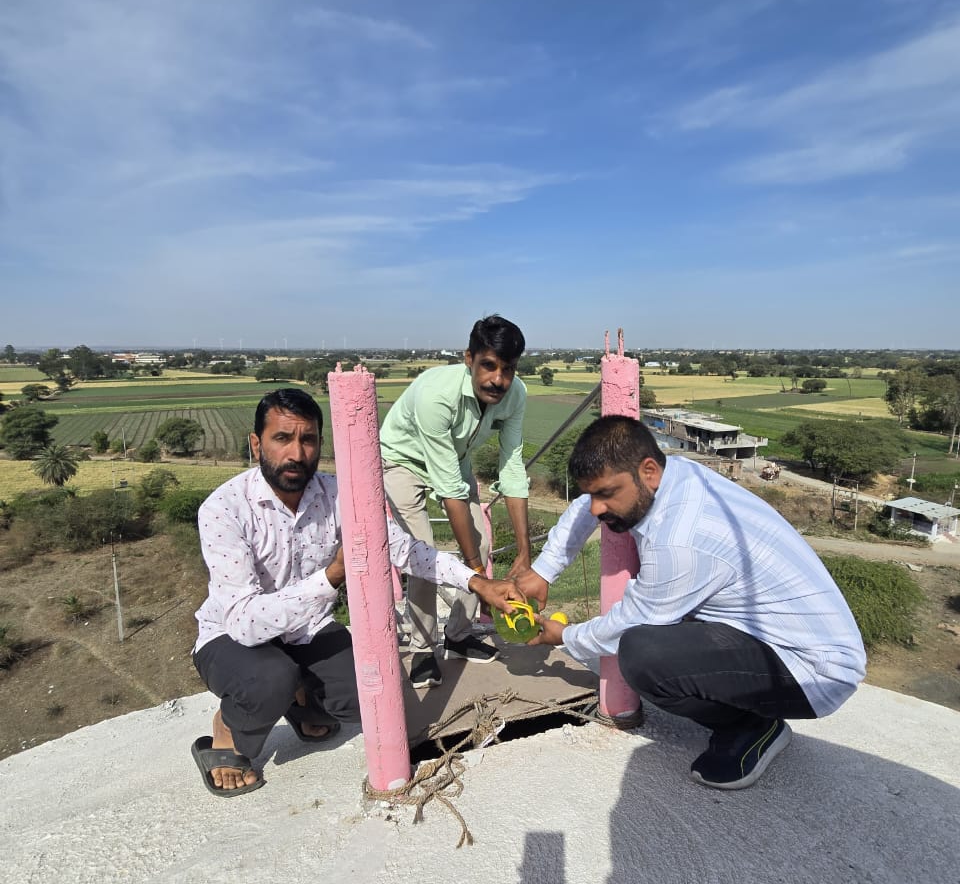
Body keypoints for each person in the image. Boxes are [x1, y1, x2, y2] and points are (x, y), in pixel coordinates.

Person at [190, 388, 523, 797]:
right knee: (269, 677)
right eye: (282, 439)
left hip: (305, 630)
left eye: (307, 439)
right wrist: (332, 575)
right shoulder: (224, 508)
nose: (296, 453)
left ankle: (299, 699)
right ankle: (227, 733)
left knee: (363, 695)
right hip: (232, 636)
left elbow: (404, 550)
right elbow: (244, 622)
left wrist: (478, 582)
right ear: (256, 443)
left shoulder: (339, 496)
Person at [516, 416, 866, 790]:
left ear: (647, 471)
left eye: (607, 494)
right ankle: (748, 714)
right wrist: (543, 571)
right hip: (772, 635)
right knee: (658, 633)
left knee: (643, 653)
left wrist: (564, 636)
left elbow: (628, 624)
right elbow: (588, 504)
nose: (598, 509)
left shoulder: (679, 539)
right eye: (594, 495)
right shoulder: (674, 473)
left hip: (813, 670)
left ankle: (752, 726)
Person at [380, 315, 531, 690]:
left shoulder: (516, 395)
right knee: (422, 555)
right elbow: (449, 489)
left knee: (479, 542)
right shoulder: (436, 394)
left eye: (507, 369)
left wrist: (525, 552)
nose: (498, 379)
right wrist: (478, 578)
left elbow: (511, 467)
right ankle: (422, 648)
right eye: (488, 366)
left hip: (454, 457)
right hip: (402, 459)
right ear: (469, 359)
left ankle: (459, 634)